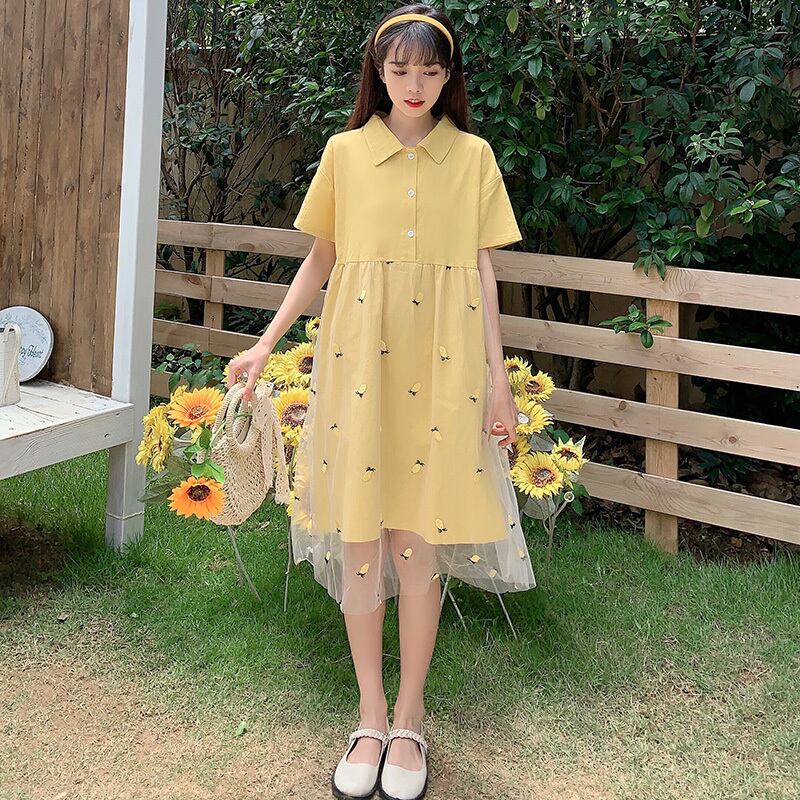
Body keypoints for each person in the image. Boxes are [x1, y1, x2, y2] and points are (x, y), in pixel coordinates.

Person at [226, 7, 535, 799]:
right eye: (400, 71)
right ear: (378, 73)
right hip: (358, 365)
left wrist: (499, 379)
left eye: (429, 71)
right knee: (361, 538)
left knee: (417, 543)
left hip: (445, 368)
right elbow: (320, 260)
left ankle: (409, 717)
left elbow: (484, 272)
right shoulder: (344, 153)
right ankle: (368, 716)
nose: (414, 85)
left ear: (449, 76)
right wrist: (264, 343)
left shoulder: (473, 157)